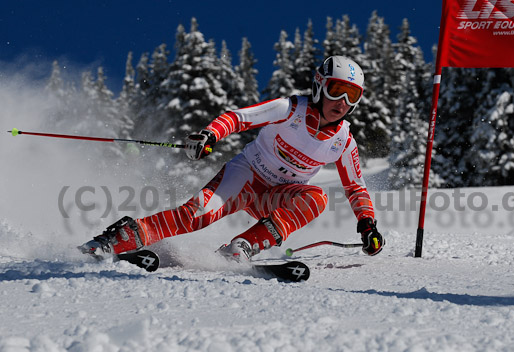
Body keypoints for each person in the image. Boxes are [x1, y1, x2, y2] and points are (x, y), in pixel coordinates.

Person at [80, 55, 385, 262]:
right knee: (195, 215)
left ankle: (241, 248)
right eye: (337, 90)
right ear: (320, 85)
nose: (343, 103)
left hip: (276, 198)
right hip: (247, 177)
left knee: (316, 198)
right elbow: (238, 119)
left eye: (353, 96)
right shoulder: (289, 108)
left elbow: (356, 188)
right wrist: (210, 135)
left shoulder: (343, 141)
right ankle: (117, 240)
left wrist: (367, 224)